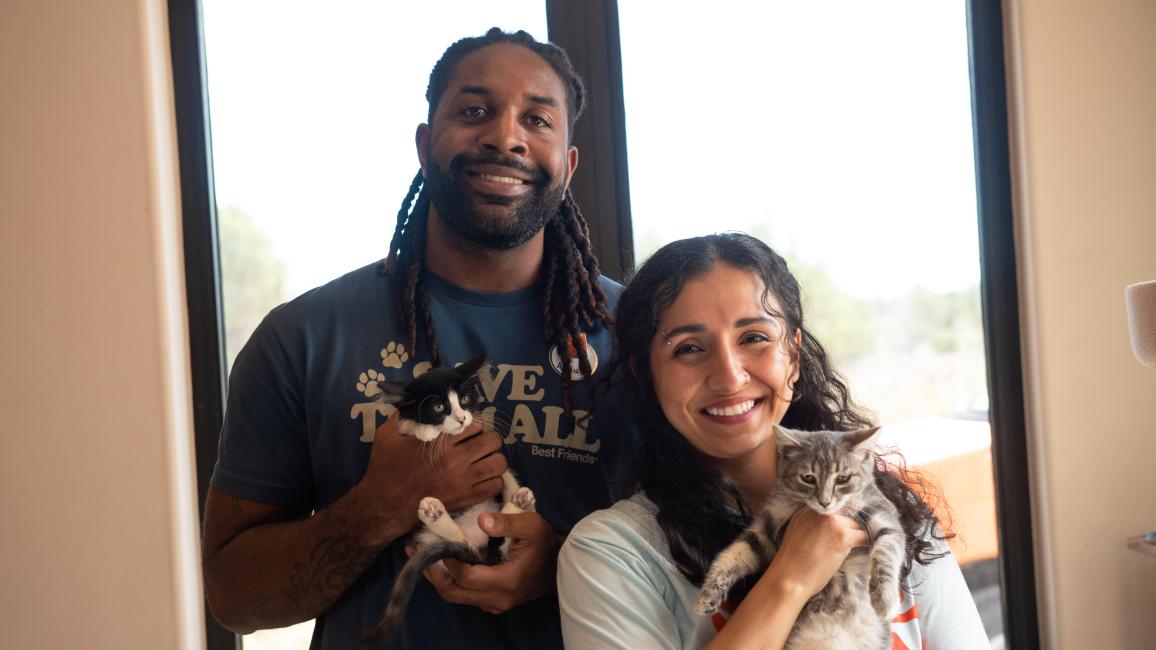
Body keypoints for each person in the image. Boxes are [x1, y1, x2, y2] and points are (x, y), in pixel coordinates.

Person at [201, 28, 635, 649]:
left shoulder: (644, 339)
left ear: (566, 166)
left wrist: (567, 561)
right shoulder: (302, 338)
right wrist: (378, 506)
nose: (504, 135)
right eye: (474, 111)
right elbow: (232, 597)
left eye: (537, 119)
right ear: (425, 142)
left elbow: (707, 549)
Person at [557, 233, 989, 649]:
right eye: (689, 348)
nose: (729, 376)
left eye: (754, 338)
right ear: (645, 376)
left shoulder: (895, 517)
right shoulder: (612, 554)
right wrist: (791, 577)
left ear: (794, 359)